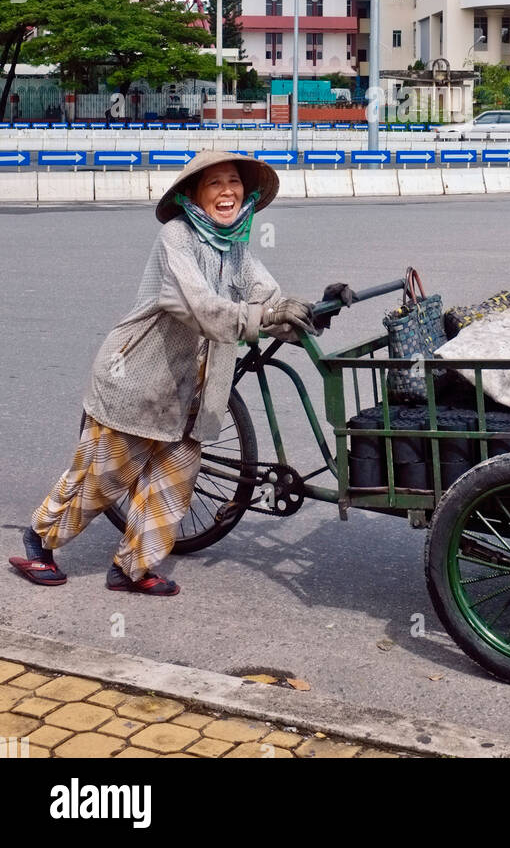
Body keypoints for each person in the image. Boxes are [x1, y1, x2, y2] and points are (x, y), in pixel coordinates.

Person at [8, 151, 322, 596]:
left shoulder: (235, 249)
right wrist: (269, 313)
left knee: (172, 484)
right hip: (137, 381)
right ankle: (39, 543)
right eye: (214, 184)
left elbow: (266, 297)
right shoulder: (177, 238)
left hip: (194, 390)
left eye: (233, 182)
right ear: (193, 196)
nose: (227, 192)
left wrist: (307, 312)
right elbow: (201, 309)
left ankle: (132, 568)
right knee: (102, 476)